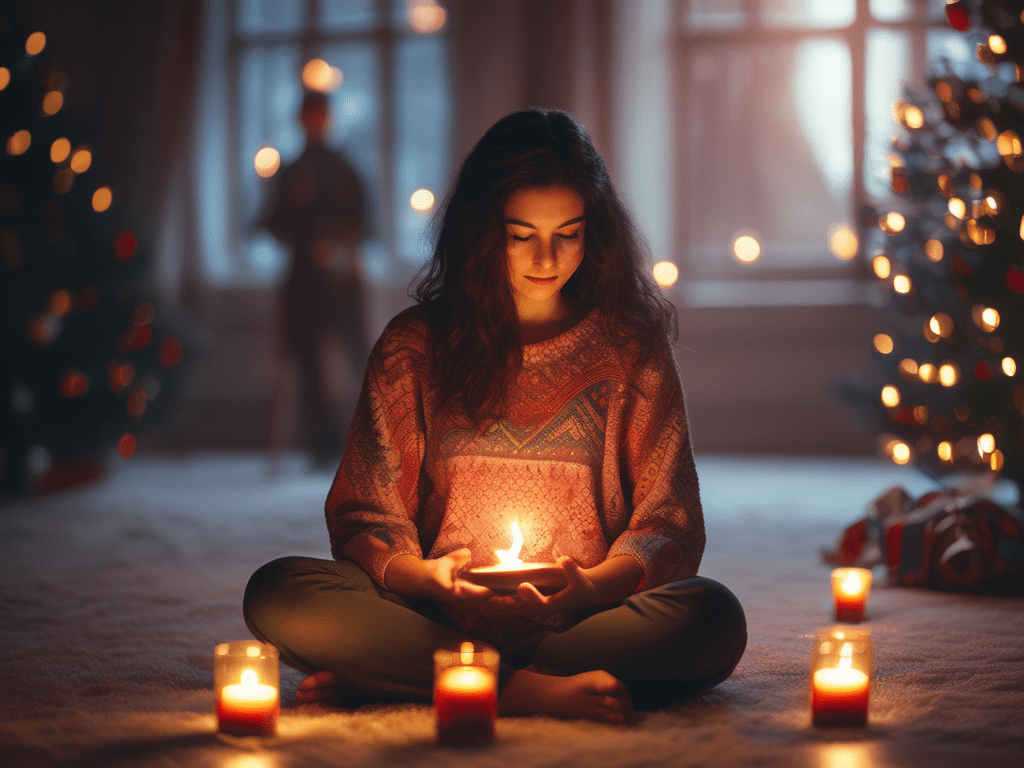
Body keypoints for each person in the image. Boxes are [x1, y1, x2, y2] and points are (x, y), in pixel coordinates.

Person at [244, 108, 746, 722]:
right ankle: (520, 690)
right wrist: (425, 578)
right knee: (278, 591)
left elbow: (669, 520)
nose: (546, 256)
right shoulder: (415, 347)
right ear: (483, 231)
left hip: (584, 626)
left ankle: (414, 676)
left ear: (596, 232)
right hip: (430, 617)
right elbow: (365, 511)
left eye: (569, 232)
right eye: (520, 234)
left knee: (714, 615)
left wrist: (594, 585)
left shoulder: (630, 349)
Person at [259, 89, 370, 468]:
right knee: (307, 361)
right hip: (303, 280)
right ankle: (323, 444)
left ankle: (373, 441)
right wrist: (292, 202)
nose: (316, 121)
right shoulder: (290, 171)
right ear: (301, 118)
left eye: (321, 114)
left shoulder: (344, 167)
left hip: (341, 278)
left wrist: (342, 247)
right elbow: (273, 224)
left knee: (361, 358)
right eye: (310, 114)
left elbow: (363, 222)